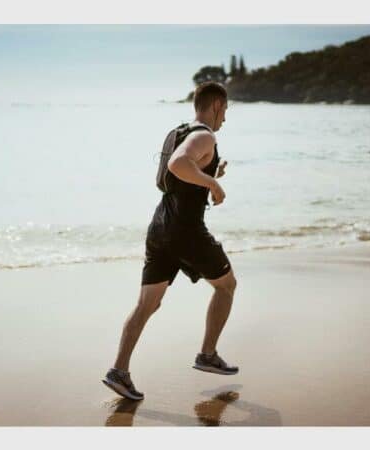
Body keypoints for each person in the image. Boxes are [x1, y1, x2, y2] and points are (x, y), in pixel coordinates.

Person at [102, 81, 238, 401]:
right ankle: (207, 354)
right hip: (186, 231)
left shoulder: (178, 132)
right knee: (227, 286)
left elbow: (171, 178)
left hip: (160, 228)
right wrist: (214, 185)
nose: (225, 118)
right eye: (225, 110)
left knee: (148, 304)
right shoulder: (205, 135)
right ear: (216, 105)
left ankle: (119, 371)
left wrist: (210, 174)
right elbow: (178, 164)